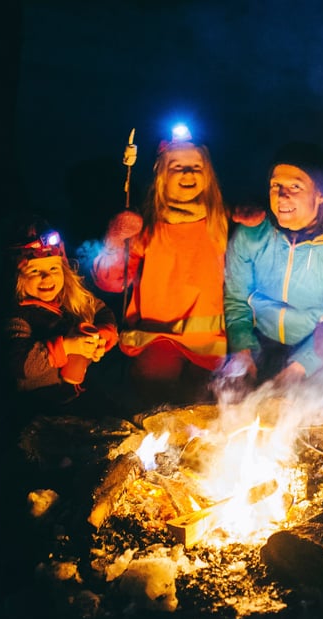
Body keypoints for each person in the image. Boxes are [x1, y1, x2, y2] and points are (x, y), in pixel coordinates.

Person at [91, 127, 241, 410]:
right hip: (155, 341)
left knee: (200, 419)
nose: (188, 173)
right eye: (178, 167)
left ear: (207, 174)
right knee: (157, 414)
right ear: (161, 176)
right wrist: (113, 242)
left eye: (196, 166)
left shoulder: (220, 223)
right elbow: (113, 282)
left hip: (208, 347)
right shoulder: (145, 225)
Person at [220, 141, 323, 395]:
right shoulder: (252, 235)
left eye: (295, 186)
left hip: (316, 350)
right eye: (275, 186)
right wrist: (242, 352)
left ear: (321, 194)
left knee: (308, 411)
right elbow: (236, 299)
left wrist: (298, 369)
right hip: (259, 343)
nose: (281, 196)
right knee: (228, 400)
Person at [5, 219, 119, 421]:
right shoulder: (19, 315)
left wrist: (100, 337)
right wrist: (66, 347)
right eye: (34, 271)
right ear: (17, 277)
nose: (47, 277)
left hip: (76, 394)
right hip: (37, 407)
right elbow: (21, 364)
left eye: (54, 269)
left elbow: (102, 312)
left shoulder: (70, 298)